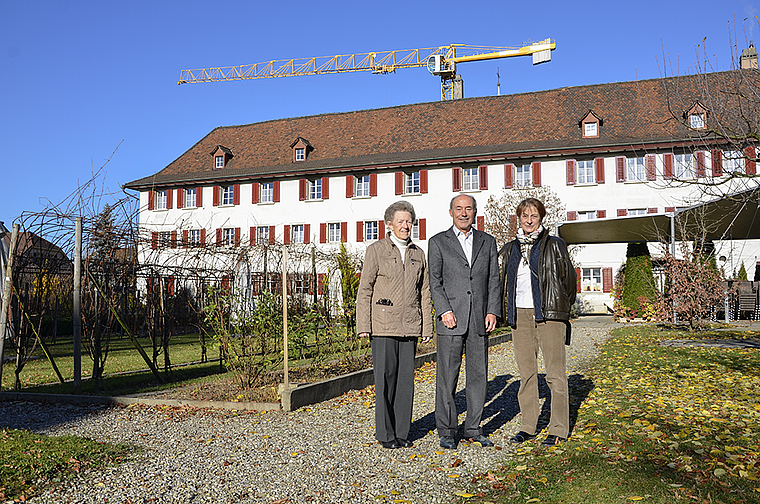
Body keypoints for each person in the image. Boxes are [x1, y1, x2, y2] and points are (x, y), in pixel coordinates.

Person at [357, 201, 433, 449]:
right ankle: (385, 434)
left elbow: (425, 293)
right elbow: (365, 289)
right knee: (385, 380)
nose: (405, 225)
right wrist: (363, 324)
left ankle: (402, 432)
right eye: (400, 221)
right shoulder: (376, 250)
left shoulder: (418, 254)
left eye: (409, 221)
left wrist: (427, 327)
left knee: (405, 382)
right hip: (382, 325)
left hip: (410, 325)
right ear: (389, 224)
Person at [428, 194, 502, 449]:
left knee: (478, 376)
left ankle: (473, 426)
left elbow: (494, 279)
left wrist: (493, 310)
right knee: (447, 377)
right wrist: (444, 310)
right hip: (451, 319)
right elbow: (434, 282)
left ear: (475, 212)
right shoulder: (438, 242)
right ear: (450, 212)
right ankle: (447, 429)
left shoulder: (487, 241)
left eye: (468, 209)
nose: (463, 213)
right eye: (458, 209)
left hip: (480, 318)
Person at [502, 198, 577, 447]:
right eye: (525, 216)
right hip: (520, 315)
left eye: (534, 215)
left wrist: (559, 308)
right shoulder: (511, 248)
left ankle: (557, 428)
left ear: (541, 218)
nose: (529, 220)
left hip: (549, 315)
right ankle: (528, 426)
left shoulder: (555, 245)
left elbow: (568, 281)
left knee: (555, 374)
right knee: (526, 374)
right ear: (519, 219)